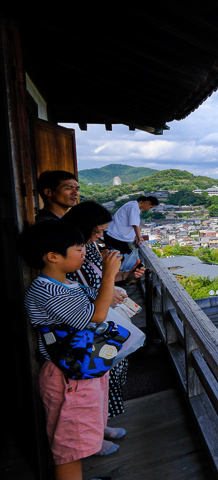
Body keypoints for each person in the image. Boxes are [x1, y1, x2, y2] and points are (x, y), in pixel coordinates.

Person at [17, 221, 123, 480]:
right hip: (66, 375)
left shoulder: (64, 284)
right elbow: (96, 315)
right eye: (78, 249)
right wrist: (109, 274)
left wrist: (111, 289)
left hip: (79, 368)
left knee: (80, 431)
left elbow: (95, 300)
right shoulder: (47, 291)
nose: (84, 252)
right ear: (53, 256)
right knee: (70, 447)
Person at [62, 201, 145, 423]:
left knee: (108, 373)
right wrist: (109, 279)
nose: (100, 236)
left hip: (99, 313)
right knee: (97, 373)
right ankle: (96, 426)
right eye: (97, 231)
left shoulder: (86, 246)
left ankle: (102, 423)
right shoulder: (72, 249)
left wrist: (127, 274)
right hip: (90, 322)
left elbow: (96, 282)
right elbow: (87, 289)